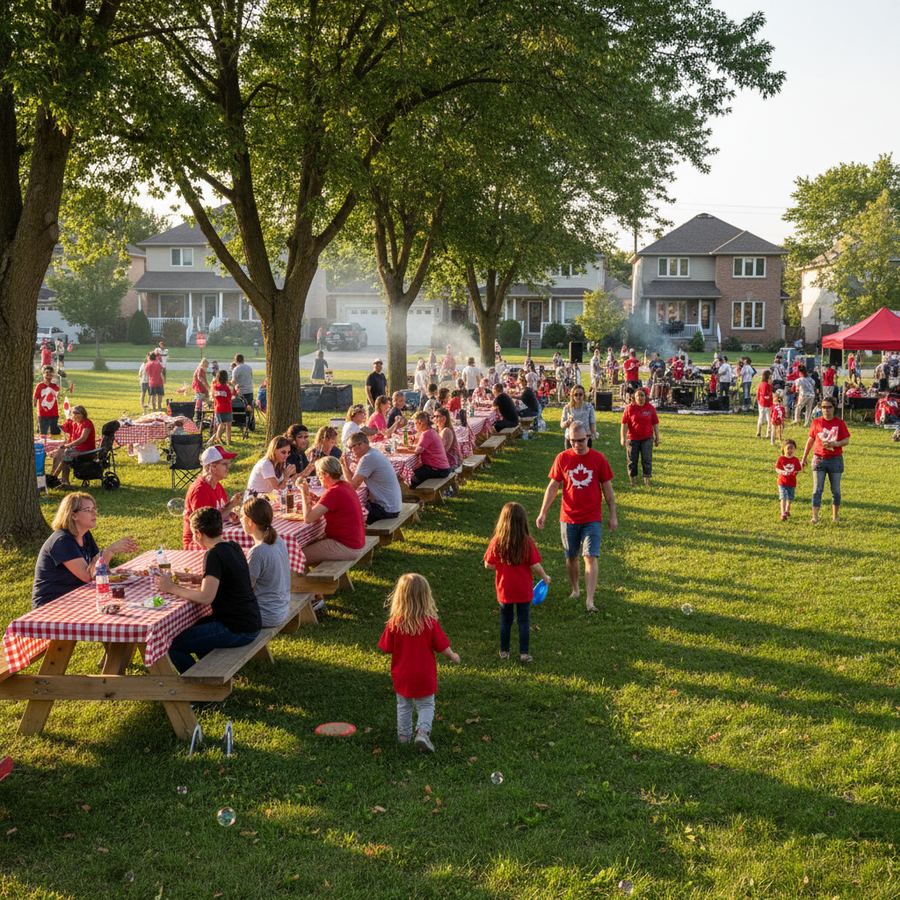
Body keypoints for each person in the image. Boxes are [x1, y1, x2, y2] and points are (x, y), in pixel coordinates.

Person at [158, 507, 261, 673]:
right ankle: (209, 672)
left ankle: (199, 686)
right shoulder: (233, 546)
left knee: (173, 644)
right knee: (193, 628)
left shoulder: (213, 555)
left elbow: (206, 597)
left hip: (237, 628)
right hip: (250, 620)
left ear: (198, 533)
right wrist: (197, 578)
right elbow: (228, 578)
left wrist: (171, 587)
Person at [536, 422, 617, 613]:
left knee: (590, 556)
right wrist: (543, 511)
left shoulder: (598, 459)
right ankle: (575, 589)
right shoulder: (562, 458)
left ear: (588, 437)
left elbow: (608, 489)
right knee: (571, 557)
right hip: (568, 516)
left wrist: (613, 514)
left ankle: (590, 600)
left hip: (592, 517)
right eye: (572, 441)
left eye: (580, 440)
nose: (577, 445)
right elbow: (553, 487)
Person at [378, 573, 460, 752]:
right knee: (426, 704)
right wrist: (453, 655)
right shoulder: (429, 623)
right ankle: (422, 732)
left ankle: (404, 736)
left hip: (402, 675)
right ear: (425, 597)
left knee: (404, 705)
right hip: (424, 674)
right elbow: (442, 646)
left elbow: (385, 647)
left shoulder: (394, 624)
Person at [32, 492, 138, 608]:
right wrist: (109, 551)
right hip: (52, 604)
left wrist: (104, 562)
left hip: (76, 597)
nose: (94, 513)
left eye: (94, 509)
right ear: (73, 515)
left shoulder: (85, 535)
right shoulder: (62, 541)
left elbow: (99, 571)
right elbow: (88, 576)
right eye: (88, 510)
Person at [484, 501, 549, 663]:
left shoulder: (497, 542)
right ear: (523, 522)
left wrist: (501, 566)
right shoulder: (527, 542)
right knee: (523, 622)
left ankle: (504, 652)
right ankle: (524, 654)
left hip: (504, 590)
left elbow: (488, 564)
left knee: (505, 621)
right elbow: (535, 565)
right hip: (523, 591)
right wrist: (545, 577)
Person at [299, 456, 366, 566]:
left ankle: (296, 582)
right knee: (308, 544)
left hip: (346, 546)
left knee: (296, 556)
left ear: (326, 474)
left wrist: (304, 492)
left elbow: (308, 518)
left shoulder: (334, 492)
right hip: (355, 541)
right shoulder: (345, 486)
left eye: (319, 475)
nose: (319, 478)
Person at [241, 496, 291, 628]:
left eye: (242, 516)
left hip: (265, 614)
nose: (240, 520)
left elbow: (244, 589)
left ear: (250, 522)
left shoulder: (258, 551)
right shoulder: (278, 540)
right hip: (281, 608)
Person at [800, 398, 850, 524]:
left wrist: (836, 443)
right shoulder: (816, 422)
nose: (826, 410)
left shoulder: (839, 423)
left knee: (836, 491)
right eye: (823, 407)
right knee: (817, 490)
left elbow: (846, 440)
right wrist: (804, 457)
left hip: (835, 460)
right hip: (819, 459)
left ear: (834, 408)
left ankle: (835, 516)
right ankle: (815, 516)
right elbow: (810, 440)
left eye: (829, 407)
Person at [183, 445, 242, 549]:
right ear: (212, 466)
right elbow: (206, 527)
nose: (229, 467)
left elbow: (220, 512)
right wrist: (230, 506)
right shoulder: (200, 491)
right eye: (225, 464)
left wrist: (232, 514)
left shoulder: (217, 485)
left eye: (229, 463)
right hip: (199, 543)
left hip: (215, 535)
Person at [342, 431, 403, 524]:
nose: (351, 452)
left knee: (345, 513)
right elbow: (355, 479)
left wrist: (343, 466)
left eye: (351, 448)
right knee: (357, 505)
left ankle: (352, 538)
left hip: (386, 510)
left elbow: (352, 487)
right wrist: (348, 466)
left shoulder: (367, 458)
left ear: (359, 445)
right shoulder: (373, 453)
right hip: (393, 506)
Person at [620, 387, 660, 486]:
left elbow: (655, 423)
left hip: (647, 438)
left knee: (647, 459)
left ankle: (647, 480)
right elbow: (624, 424)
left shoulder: (650, 408)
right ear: (634, 397)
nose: (640, 398)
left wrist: (657, 437)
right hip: (632, 439)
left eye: (642, 395)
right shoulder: (629, 408)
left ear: (645, 397)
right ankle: (632, 481)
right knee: (632, 460)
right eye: (638, 395)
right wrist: (623, 438)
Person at [49, 405, 96, 486]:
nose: (75, 415)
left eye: (77, 413)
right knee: (59, 453)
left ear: (83, 414)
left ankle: (63, 481)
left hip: (86, 451)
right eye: (73, 413)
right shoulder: (74, 423)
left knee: (66, 454)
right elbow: (64, 428)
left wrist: (67, 445)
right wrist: (55, 425)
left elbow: (83, 438)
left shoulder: (87, 423)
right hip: (75, 448)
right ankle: (53, 476)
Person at [409, 411, 451, 487]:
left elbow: (417, 452)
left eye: (415, 424)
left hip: (438, 469)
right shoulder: (432, 431)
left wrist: (401, 450)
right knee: (414, 472)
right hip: (442, 468)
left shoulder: (426, 434)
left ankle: (418, 495)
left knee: (410, 476)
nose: (414, 426)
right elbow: (420, 447)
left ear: (420, 423)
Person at [775, 439, 800, 522]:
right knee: (783, 497)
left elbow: (798, 469)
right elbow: (777, 469)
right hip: (782, 482)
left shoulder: (795, 460)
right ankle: (783, 513)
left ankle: (787, 510)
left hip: (792, 483)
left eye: (792, 448)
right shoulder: (781, 459)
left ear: (794, 449)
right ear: (783, 449)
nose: (790, 450)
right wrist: (783, 472)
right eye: (788, 448)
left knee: (790, 498)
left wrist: (795, 472)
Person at [210, 369, 236, 444]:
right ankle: (228, 440)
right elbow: (229, 398)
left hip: (218, 408)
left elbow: (213, 396)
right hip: (227, 408)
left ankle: (218, 436)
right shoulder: (227, 388)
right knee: (228, 425)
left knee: (221, 424)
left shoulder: (215, 388)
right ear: (226, 378)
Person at [230, 353, 255, 431]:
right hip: (250, 390)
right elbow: (251, 377)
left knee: (240, 408)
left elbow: (233, 381)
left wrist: (229, 383)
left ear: (236, 360)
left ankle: (240, 422)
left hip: (241, 392)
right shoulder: (249, 367)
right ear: (243, 360)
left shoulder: (236, 369)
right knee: (249, 407)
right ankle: (250, 423)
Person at [34, 365, 61, 435]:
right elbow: (35, 397)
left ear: (53, 375)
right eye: (47, 373)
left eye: (51, 373)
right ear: (43, 374)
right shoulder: (40, 386)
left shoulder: (54, 386)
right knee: (43, 432)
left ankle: (54, 444)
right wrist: (35, 404)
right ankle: (43, 444)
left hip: (54, 412)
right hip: (43, 413)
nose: (49, 375)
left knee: (54, 432)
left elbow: (59, 393)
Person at [755, 369, 774, 438]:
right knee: (769, 419)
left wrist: (759, 400)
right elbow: (766, 395)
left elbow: (758, 394)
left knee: (760, 418)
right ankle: (768, 434)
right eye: (770, 377)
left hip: (761, 403)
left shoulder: (761, 384)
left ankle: (758, 432)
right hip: (767, 404)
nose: (771, 379)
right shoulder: (767, 385)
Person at [192, 357, 210, 425]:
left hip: (200, 389)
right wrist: (206, 386)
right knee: (200, 402)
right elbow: (200, 378)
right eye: (206, 366)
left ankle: (198, 415)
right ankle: (199, 417)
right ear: (204, 365)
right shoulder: (200, 369)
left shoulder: (200, 369)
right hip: (200, 388)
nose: (206, 368)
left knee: (198, 401)